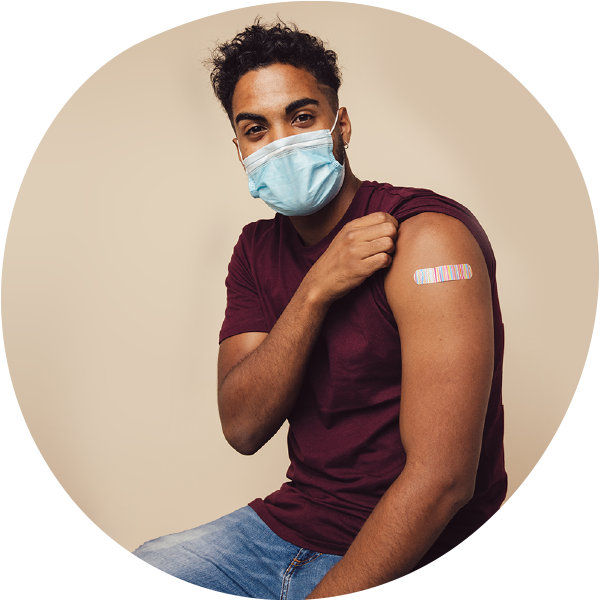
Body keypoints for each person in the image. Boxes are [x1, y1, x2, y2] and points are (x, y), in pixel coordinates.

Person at [132, 18, 507, 599]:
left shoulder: (426, 238)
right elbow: (243, 425)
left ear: (342, 123)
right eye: (256, 129)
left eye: (301, 118)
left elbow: (443, 481)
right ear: (239, 149)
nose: (280, 142)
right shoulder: (256, 251)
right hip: (288, 528)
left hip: (417, 549)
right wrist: (316, 290)